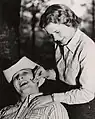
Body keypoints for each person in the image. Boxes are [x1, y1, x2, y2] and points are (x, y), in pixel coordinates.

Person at [30, 4, 95, 119]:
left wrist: (51, 98)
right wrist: (47, 73)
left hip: (84, 104)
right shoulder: (61, 41)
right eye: (51, 35)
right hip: (65, 96)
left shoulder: (87, 48)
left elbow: (88, 93)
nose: (55, 38)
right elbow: (66, 74)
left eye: (57, 32)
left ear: (68, 22)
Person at [0, 56, 69, 119]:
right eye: (15, 76)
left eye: (25, 72)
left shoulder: (52, 107)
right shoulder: (4, 112)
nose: (19, 77)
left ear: (37, 77)